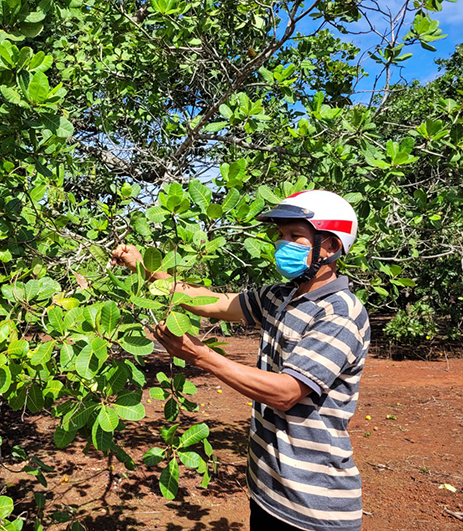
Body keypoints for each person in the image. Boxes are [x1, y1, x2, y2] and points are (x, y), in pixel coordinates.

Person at [111, 190, 370, 531]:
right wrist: (144, 267)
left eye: (295, 236)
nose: (283, 245)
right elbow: (212, 303)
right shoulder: (279, 296)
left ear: (331, 247)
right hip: (267, 491)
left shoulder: (342, 313)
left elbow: (286, 392)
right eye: (280, 236)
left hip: (313, 508)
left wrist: (201, 357)